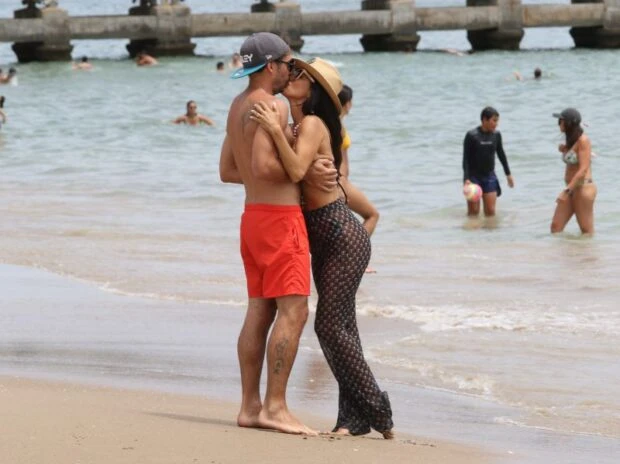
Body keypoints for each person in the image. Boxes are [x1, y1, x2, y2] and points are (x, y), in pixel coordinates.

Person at [250, 57, 395, 439]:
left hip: (340, 233)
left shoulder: (312, 124)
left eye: (301, 75)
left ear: (313, 89)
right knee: (344, 327)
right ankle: (352, 419)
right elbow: (293, 174)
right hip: (324, 237)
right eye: (293, 71)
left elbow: (297, 170)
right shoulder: (298, 128)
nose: (292, 76)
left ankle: (378, 409)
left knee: (328, 325)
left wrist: (274, 131)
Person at [219, 32, 329, 436]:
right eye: (287, 64)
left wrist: (270, 173)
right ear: (271, 66)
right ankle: (276, 407)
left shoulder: (238, 105)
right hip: (281, 220)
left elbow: (229, 170)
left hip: (253, 217)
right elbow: (266, 166)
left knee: (259, 310)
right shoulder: (272, 105)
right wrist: (304, 170)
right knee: (294, 311)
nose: (290, 71)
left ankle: (250, 406)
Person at [337, 84, 380, 237]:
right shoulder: (335, 125)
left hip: (343, 182)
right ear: (348, 103)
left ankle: (355, 247)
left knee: (371, 215)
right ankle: (357, 247)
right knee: (372, 215)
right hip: (340, 182)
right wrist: (340, 184)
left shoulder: (337, 123)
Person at [550, 108, 596, 234]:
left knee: (586, 231)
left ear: (569, 123)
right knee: (555, 227)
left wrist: (566, 191)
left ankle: (590, 249)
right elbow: (573, 159)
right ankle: (565, 248)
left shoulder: (583, 140)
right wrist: (565, 149)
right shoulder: (572, 140)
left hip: (582, 188)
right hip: (572, 188)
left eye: (561, 121)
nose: (559, 124)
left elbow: (583, 170)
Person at [462, 106, 514, 216]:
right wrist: (466, 179)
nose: (496, 124)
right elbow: (465, 159)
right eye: (494, 121)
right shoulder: (471, 135)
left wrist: (508, 174)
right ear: (485, 119)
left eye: (497, 121)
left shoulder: (496, 135)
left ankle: (488, 229)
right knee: (473, 212)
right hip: (473, 178)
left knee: (490, 212)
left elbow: (501, 154)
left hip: (489, 176)